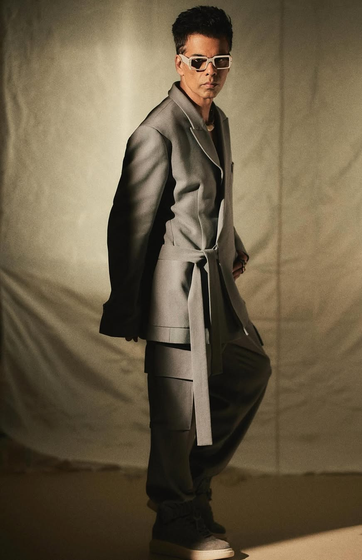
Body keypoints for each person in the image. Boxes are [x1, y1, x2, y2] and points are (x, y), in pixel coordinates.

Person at [100, 6, 271, 559]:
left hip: (214, 285)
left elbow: (206, 197)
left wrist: (231, 243)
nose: (210, 72)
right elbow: (129, 225)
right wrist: (128, 309)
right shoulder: (157, 130)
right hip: (174, 290)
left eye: (220, 61)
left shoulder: (221, 122)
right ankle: (174, 520)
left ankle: (192, 489)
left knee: (250, 370)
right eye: (199, 61)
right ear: (179, 62)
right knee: (176, 414)